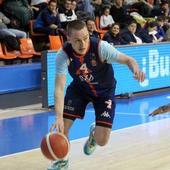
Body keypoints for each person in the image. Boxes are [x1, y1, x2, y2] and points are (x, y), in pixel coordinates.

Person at [48, 19, 145, 170]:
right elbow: (59, 88)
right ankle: (63, 161)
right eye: (78, 40)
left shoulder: (101, 48)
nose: (83, 44)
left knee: (102, 141)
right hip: (80, 89)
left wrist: (136, 70)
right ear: (68, 38)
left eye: (86, 38)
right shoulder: (63, 54)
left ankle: (94, 135)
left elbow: (128, 60)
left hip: (104, 92)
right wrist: (58, 117)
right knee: (62, 127)